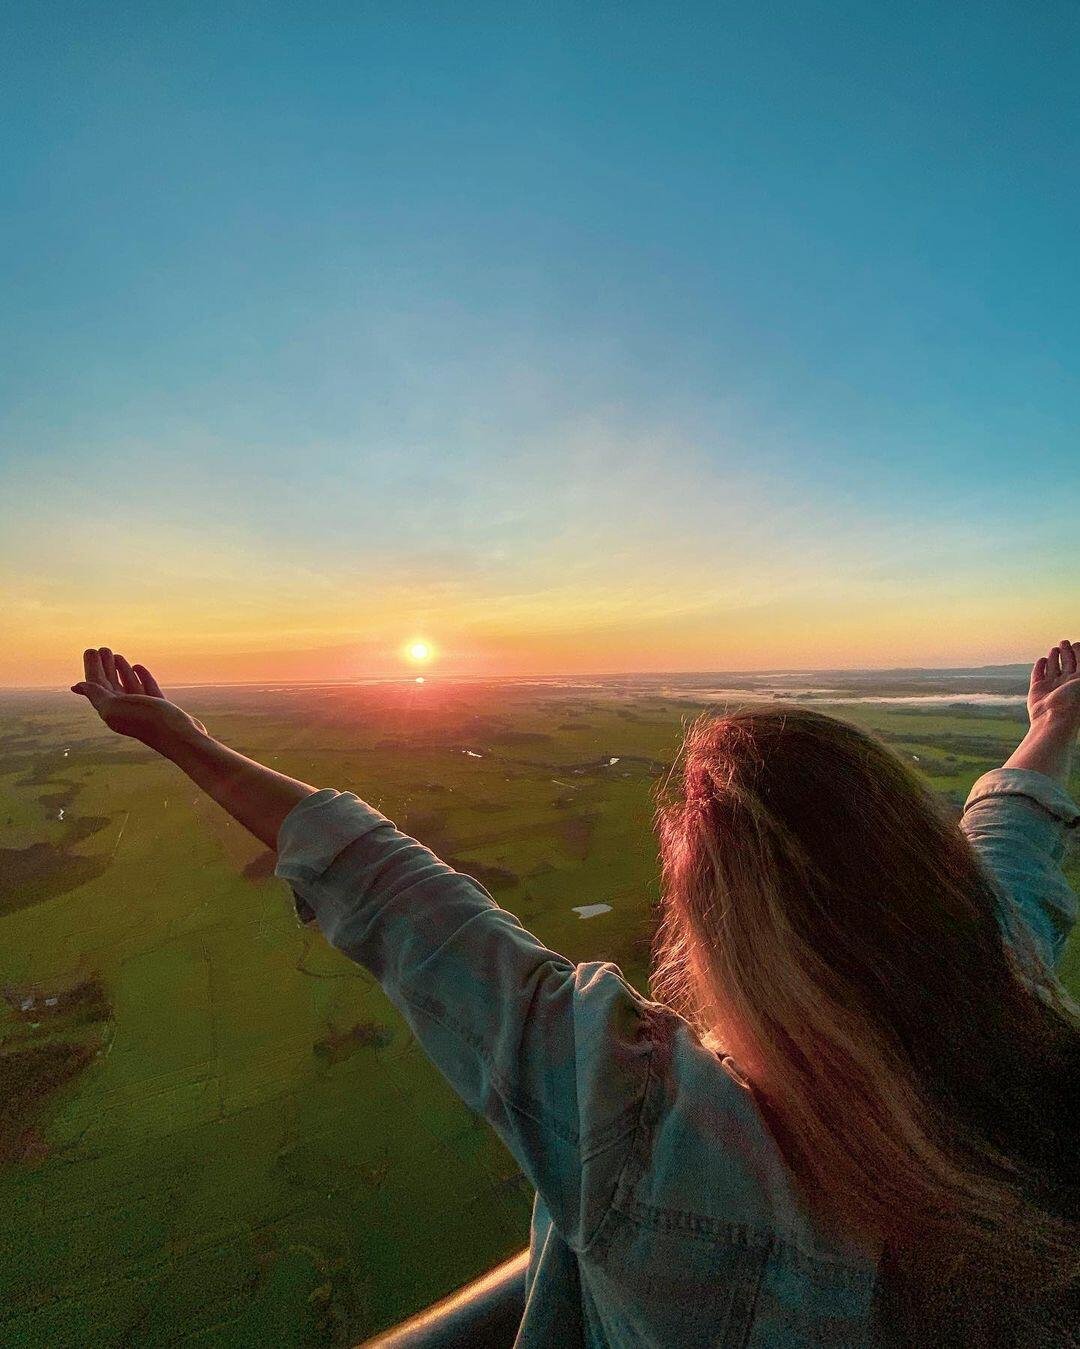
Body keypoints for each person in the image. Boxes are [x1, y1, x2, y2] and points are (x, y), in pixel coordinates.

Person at [71, 641, 1080, 1347]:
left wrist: (178, 737)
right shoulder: (1001, 1021)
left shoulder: (644, 1120)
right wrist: (1050, 729)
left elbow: (398, 893)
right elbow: (1010, 861)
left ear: (722, 931)